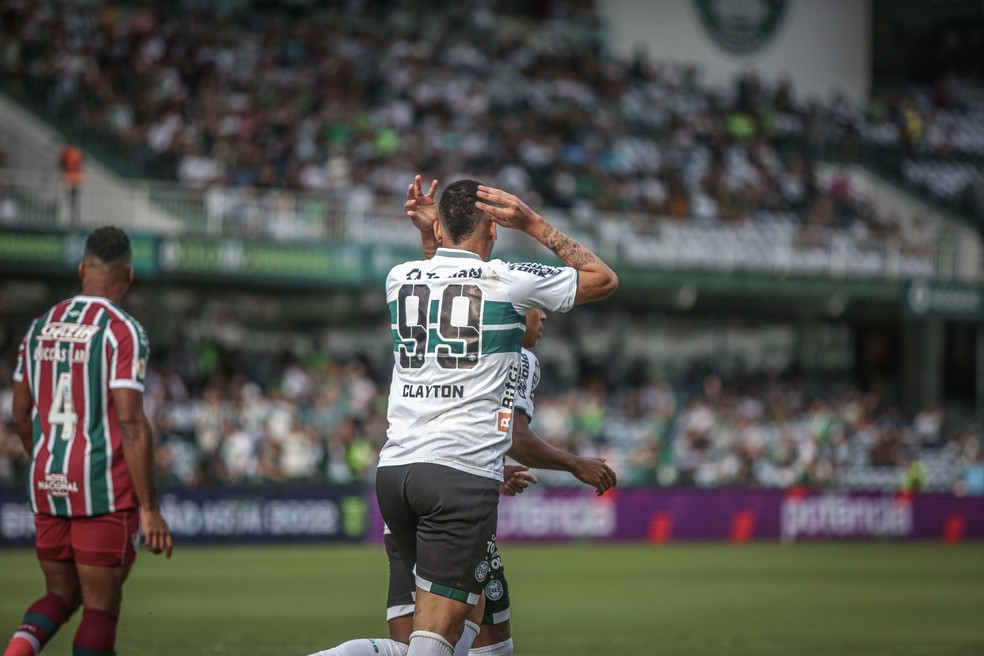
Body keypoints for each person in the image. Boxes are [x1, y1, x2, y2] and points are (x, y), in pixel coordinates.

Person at [308, 177, 617, 656]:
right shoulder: (506, 279)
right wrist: (533, 223)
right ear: (493, 229)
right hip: (457, 475)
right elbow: (603, 278)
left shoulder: (399, 278)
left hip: (395, 473)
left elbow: (440, 277)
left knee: (459, 627)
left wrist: (432, 237)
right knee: (436, 642)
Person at [4, 226, 173, 656]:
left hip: (48, 481)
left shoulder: (39, 326)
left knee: (60, 594)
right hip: (102, 487)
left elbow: (19, 414)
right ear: (128, 276)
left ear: (82, 270)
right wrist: (150, 508)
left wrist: (48, 459)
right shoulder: (122, 331)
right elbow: (131, 422)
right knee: (101, 607)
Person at [58, 140, 84, 227]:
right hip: (77, 178)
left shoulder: (67, 151)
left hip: (69, 178)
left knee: (69, 200)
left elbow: (61, 163)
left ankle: (71, 220)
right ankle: (74, 219)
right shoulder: (78, 151)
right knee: (74, 201)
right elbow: (81, 163)